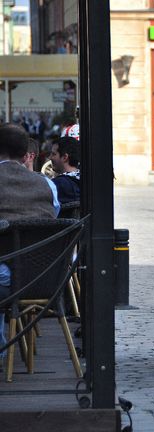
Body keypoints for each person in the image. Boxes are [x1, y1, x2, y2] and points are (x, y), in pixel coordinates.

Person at [0, 124, 60, 364]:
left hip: (6, 276)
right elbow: (52, 218)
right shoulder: (46, 184)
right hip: (44, 276)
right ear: (26, 154)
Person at [50, 137, 81, 204]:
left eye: (53, 154)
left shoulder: (57, 184)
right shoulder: (88, 182)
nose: (50, 158)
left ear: (65, 157)